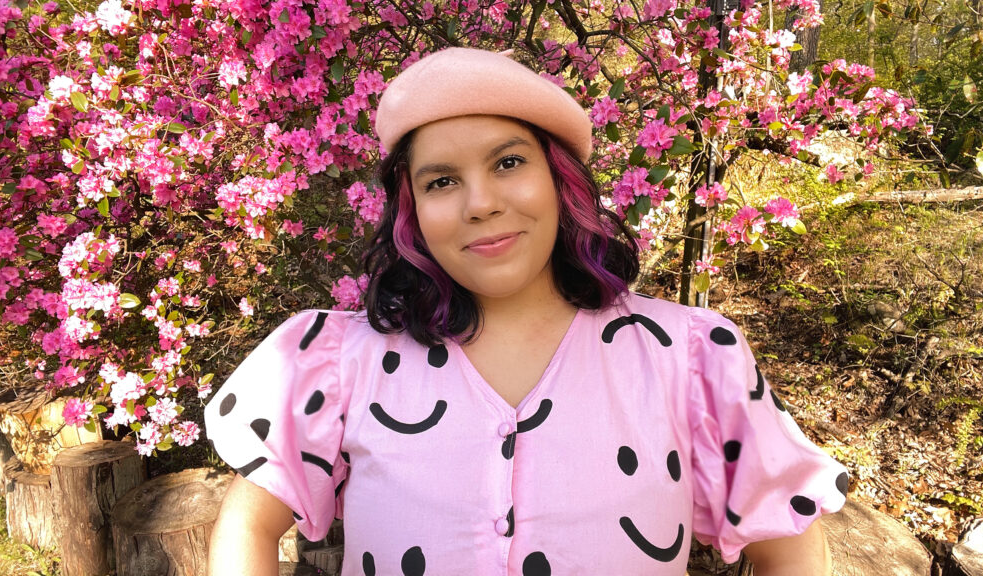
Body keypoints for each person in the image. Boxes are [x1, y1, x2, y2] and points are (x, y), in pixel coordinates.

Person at [205, 48, 847, 576]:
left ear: (559, 179)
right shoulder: (337, 361)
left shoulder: (690, 356)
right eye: (441, 181)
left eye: (508, 163)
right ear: (413, 212)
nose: (479, 203)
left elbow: (785, 534)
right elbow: (248, 523)